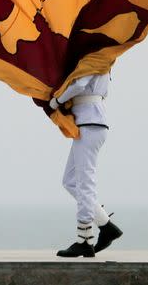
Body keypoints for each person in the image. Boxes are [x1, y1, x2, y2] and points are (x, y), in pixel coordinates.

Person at [49, 72, 123, 257]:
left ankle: (84, 239)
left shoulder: (95, 57)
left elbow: (80, 85)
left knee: (85, 183)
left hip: (90, 123)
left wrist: (56, 101)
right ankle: (106, 226)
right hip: (90, 121)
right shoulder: (102, 56)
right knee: (70, 181)